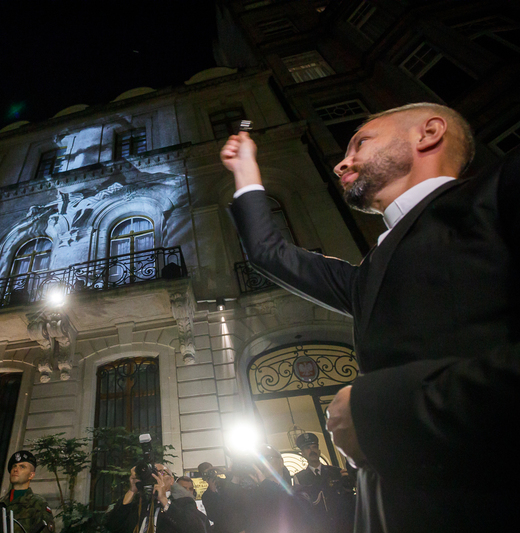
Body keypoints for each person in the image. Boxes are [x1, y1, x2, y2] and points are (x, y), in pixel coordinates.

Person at [221, 102, 519, 532]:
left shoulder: (501, 189)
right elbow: (271, 254)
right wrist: (245, 171)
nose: (342, 161)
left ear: (428, 133)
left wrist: (374, 407)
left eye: (361, 143)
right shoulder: (369, 276)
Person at [0, 450, 55, 533]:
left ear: (31, 475)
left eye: (22, 467)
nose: (16, 469)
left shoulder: (38, 504)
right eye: (14, 466)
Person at [293, 434, 354, 533]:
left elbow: (347, 498)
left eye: (314, 447)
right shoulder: (300, 478)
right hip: (318, 527)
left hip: (341, 525)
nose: (312, 451)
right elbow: (301, 507)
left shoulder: (335, 472)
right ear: (302, 453)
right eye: (308, 448)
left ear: (319, 451)